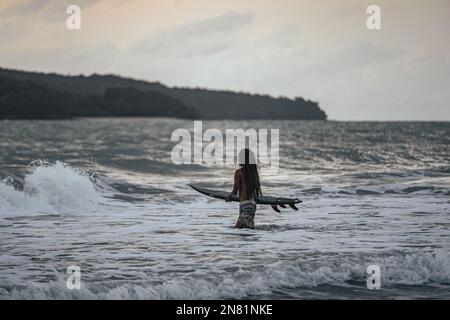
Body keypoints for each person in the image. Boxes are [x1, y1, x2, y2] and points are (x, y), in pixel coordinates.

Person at [225, 148, 262, 229]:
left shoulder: (239, 173)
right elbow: (256, 192)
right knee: (246, 230)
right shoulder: (253, 173)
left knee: (239, 230)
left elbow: (235, 191)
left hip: (245, 205)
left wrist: (229, 197)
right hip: (252, 205)